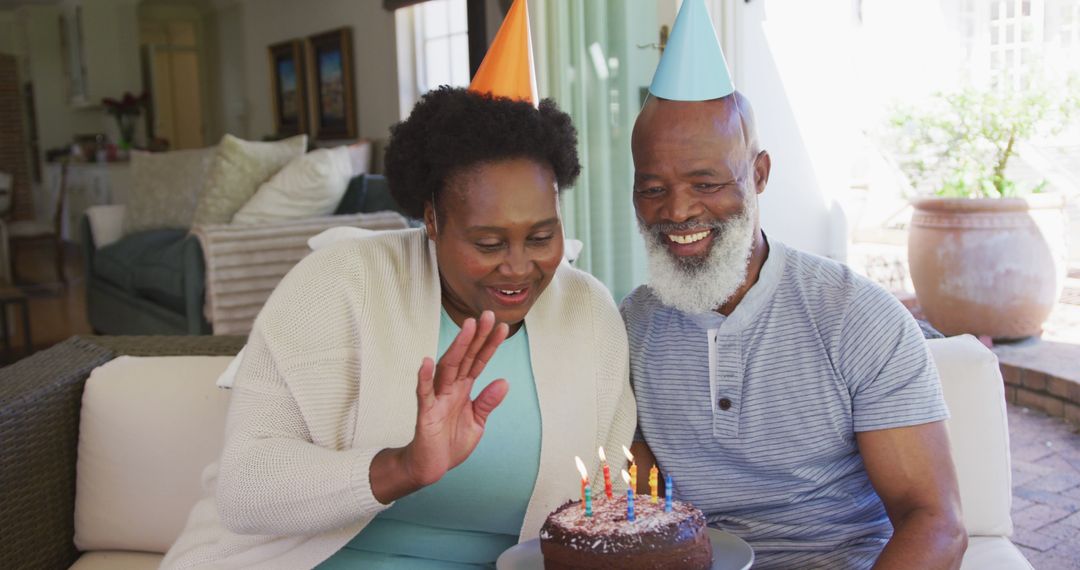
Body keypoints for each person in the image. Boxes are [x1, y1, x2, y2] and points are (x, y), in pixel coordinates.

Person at [162, 8, 633, 568]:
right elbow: (245, 488)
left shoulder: (589, 314)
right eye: (487, 243)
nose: (518, 267)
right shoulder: (341, 284)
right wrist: (404, 466)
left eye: (541, 236)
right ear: (431, 221)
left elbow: (608, 501)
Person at [622, 2, 966, 569]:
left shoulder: (857, 317)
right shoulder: (632, 328)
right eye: (652, 188)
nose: (677, 210)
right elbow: (645, 513)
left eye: (706, 182)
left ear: (759, 174)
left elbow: (935, 522)